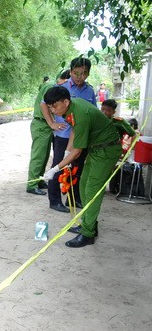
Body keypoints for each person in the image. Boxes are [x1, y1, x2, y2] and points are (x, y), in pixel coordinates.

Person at [42, 86, 121, 248]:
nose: (52, 110)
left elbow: (77, 152)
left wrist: (55, 168)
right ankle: (89, 223)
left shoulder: (80, 113)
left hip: (107, 150)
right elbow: (74, 132)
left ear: (65, 101)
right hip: (97, 148)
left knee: (92, 191)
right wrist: (65, 153)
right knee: (84, 185)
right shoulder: (71, 107)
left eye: (54, 106)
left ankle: (87, 234)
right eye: (49, 107)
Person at [47, 58, 96, 211]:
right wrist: (51, 123)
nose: (79, 77)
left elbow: (91, 113)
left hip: (80, 136)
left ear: (88, 74)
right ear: (70, 71)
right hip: (63, 136)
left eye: (83, 73)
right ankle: (54, 200)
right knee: (58, 167)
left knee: (76, 168)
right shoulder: (62, 87)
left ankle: (73, 199)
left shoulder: (90, 91)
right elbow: (44, 103)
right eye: (76, 73)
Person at [26, 71, 70, 195]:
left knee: (44, 155)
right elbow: (43, 105)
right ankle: (32, 184)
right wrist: (52, 123)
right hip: (41, 124)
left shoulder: (51, 86)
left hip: (45, 125)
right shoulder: (52, 88)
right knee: (38, 155)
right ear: (65, 80)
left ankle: (38, 179)